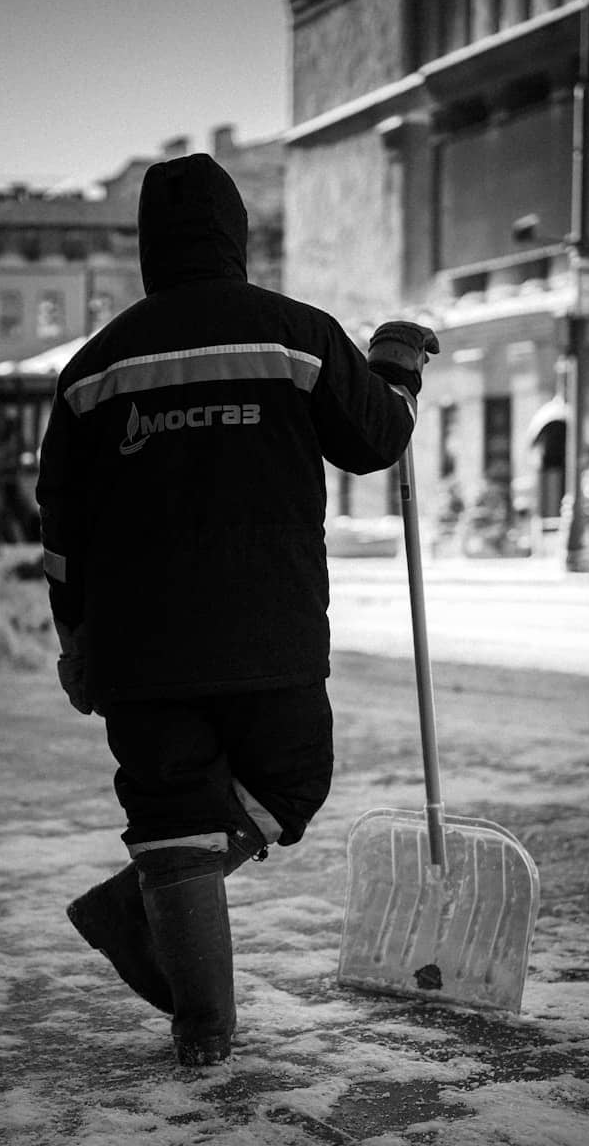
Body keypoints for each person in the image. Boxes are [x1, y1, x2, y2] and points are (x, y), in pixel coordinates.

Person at [35, 153, 438, 1067]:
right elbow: (377, 437)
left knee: (171, 811)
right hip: (270, 629)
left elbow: (61, 528)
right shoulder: (295, 336)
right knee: (290, 783)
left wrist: (76, 637)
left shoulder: (92, 369)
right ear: (235, 236)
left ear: (150, 245)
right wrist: (395, 367)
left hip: (137, 648)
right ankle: (139, 902)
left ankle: (200, 1026)